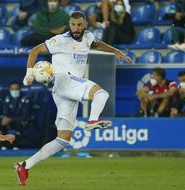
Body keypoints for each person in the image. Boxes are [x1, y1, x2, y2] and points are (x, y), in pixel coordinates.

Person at [15, 11, 131, 186]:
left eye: (79, 25)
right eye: (73, 25)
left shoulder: (88, 37)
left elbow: (97, 44)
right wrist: (29, 75)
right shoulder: (60, 40)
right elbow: (34, 51)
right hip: (64, 80)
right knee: (101, 94)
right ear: (69, 24)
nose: (76, 28)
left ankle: (24, 166)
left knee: (62, 140)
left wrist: (116, 51)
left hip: (64, 91)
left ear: (85, 25)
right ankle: (92, 121)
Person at [0, 81, 31, 150]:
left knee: (19, 124)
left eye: (16, 89)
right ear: (9, 90)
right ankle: (3, 146)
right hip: (10, 121)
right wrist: (5, 119)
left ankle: (16, 147)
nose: (14, 91)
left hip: (22, 122)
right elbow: (5, 113)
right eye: (12, 89)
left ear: (20, 89)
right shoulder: (7, 99)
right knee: (2, 123)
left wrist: (11, 119)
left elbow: (26, 116)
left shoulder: (26, 99)